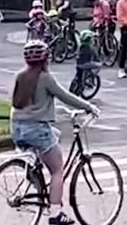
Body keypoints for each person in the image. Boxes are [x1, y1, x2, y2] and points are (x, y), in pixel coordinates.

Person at [11, 40, 99, 225]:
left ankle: (34, 176)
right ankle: (56, 214)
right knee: (57, 170)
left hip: (17, 128)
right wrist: (89, 106)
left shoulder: (20, 76)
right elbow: (64, 96)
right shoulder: (45, 78)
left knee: (54, 134)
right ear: (46, 59)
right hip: (37, 129)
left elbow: (25, 105)